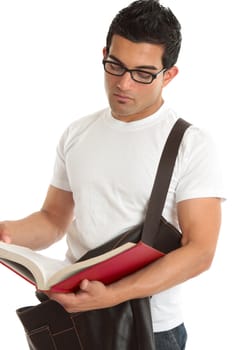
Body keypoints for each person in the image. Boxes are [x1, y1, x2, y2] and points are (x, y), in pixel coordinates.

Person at [0, 1, 224, 349]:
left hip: (152, 328)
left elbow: (200, 251)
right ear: (104, 54)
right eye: (115, 66)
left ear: (169, 75)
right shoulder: (77, 133)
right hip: (71, 317)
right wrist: (8, 233)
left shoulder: (190, 144)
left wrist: (113, 295)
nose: (124, 84)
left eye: (143, 73)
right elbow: (53, 220)